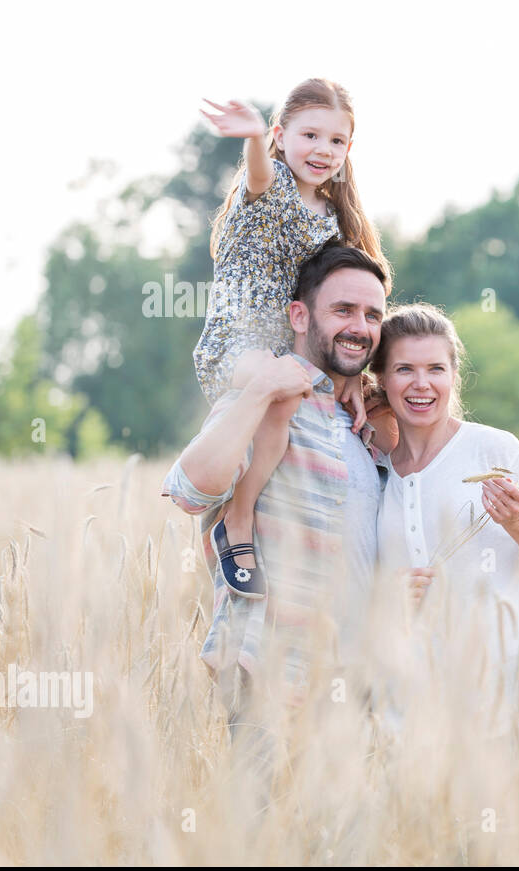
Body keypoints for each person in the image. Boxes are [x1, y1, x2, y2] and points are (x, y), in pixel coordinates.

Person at [162, 243, 392, 763]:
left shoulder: (365, 425)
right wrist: (260, 389)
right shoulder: (266, 404)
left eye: (373, 314)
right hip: (271, 675)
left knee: (345, 844)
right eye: (343, 310)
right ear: (298, 315)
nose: (361, 326)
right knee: (260, 835)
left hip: (355, 678)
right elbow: (191, 487)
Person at [194, 78, 391, 601]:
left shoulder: (334, 224)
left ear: (349, 150)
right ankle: (235, 524)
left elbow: (342, 304)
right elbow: (260, 177)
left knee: (297, 391)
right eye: (309, 136)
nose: (322, 151)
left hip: (288, 352)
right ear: (283, 137)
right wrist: (254, 138)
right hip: (236, 344)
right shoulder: (269, 190)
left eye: (336, 141)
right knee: (279, 388)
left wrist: (355, 374)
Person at [369, 304, 519, 738]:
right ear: (382, 380)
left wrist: (518, 523)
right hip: (410, 719)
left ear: (454, 376)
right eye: (404, 369)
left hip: (503, 712)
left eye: (436, 368)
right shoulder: (375, 468)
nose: (422, 384)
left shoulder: (495, 451)